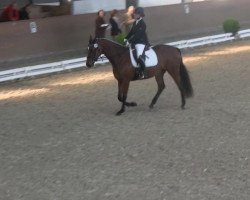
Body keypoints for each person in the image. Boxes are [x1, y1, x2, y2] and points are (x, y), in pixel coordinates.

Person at [124, 7, 149, 79]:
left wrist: (130, 41)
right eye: (135, 14)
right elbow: (131, 32)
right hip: (135, 41)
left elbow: (138, 35)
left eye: (137, 14)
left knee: (138, 56)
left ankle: (143, 72)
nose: (135, 15)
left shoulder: (143, 24)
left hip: (141, 42)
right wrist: (126, 38)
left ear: (140, 15)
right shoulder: (135, 22)